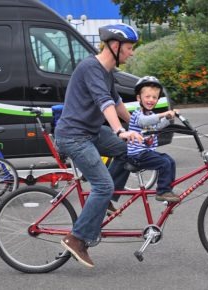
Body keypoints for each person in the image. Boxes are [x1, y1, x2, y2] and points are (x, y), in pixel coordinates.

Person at [54, 23, 143, 268]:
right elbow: (104, 103)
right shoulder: (91, 68)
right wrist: (120, 130)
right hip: (74, 136)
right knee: (101, 186)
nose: (131, 53)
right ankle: (76, 239)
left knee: (129, 151)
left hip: (91, 132)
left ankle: (108, 197)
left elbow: (116, 102)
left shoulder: (106, 71)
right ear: (115, 46)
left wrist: (138, 125)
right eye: (129, 48)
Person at [128, 76, 180, 202]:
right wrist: (163, 114)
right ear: (139, 98)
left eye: (154, 97)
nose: (151, 100)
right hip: (137, 155)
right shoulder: (137, 114)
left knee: (170, 161)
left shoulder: (151, 115)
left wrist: (168, 118)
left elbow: (158, 126)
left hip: (147, 153)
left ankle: (168, 190)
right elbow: (143, 122)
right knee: (164, 163)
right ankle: (162, 192)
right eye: (147, 97)